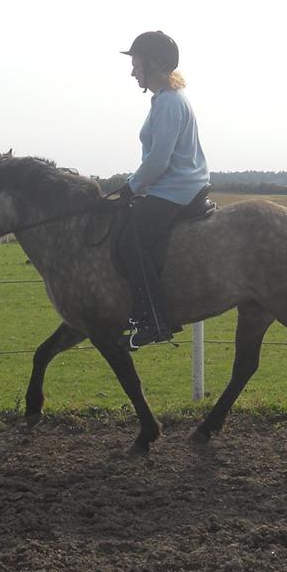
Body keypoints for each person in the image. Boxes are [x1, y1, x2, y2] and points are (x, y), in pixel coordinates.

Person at [116, 30, 210, 349]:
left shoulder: (169, 103)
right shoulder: (163, 100)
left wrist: (131, 187)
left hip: (177, 188)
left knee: (131, 241)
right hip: (171, 186)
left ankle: (154, 319)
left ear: (154, 64)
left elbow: (158, 160)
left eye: (137, 63)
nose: (132, 71)